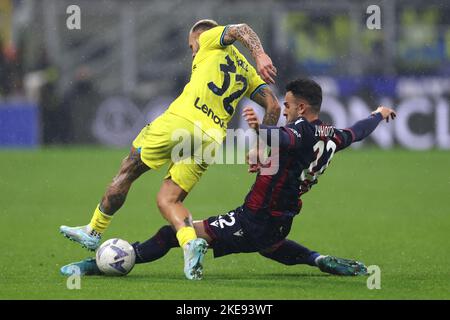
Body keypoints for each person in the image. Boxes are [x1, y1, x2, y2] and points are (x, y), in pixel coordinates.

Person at [60, 78, 397, 279]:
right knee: (269, 245)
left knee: (173, 233)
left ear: (303, 107)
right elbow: (356, 132)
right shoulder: (331, 134)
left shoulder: (302, 131)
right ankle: (318, 259)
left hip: (255, 216)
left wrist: (258, 130)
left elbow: (285, 140)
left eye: (290, 105)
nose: (286, 108)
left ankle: (103, 263)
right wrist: (378, 115)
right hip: (282, 219)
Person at [59, 19, 281, 280]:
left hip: (182, 121)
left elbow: (241, 28)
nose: (193, 53)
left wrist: (261, 54)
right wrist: (259, 147)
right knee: (169, 200)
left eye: (191, 47)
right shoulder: (246, 73)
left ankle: (94, 231)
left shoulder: (208, 38)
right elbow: (274, 107)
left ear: (200, 37)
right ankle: (190, 244)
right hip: (212, 137)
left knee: (128, 168)